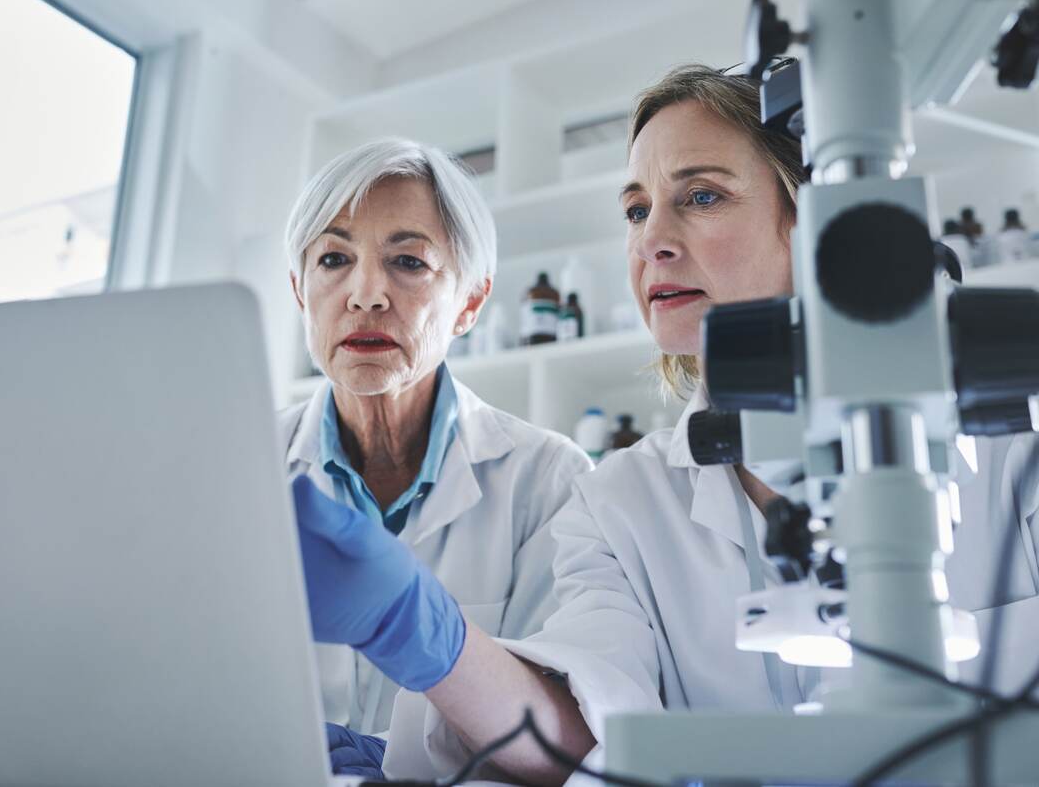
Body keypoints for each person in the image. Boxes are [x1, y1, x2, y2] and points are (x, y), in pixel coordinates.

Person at [292, 67, 1039, 785]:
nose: (651, 240)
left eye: (703, 196)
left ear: (826, 225)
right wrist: (423, 635)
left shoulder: (1013, 443)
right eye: (636, 209)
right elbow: (587, 732)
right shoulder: (620, 501)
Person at [280, 138, 591, 776]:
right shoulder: (243, 471)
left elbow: (566, 746)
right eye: (334, 258)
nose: (366, 294)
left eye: (409, 262)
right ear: (299, 291)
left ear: (471, 302)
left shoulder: (550, 481)